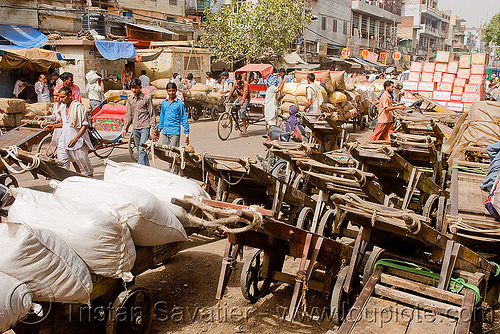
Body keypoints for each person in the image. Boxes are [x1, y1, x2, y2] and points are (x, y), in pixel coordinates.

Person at [44, 86, 94, 176]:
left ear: (70, 95)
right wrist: (53, 126)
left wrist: (76, 139)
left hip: (77, 142)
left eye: (63, 97)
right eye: (60, 97)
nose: (61, 99)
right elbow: (65, 124)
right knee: (62, 166)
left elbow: (84, 125)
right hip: (64, 141)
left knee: (86, 168)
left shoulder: (78, 108)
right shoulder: (62, 108)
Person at [122, 78, 157, 166]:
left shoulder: (147, 99)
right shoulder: (130, 100)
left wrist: (153, 131)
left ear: (140, 87)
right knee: (140, 151)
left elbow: (152, 114)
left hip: (145, 127)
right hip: (135, 128)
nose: (134, 90)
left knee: (142, 149)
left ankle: (140, 168)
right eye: (132, 88)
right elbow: (128, 114)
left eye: (136, 88)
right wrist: (125, 127)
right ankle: (147, 168)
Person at [157, 82, 190, 148]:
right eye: (169, 91)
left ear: (176, 91)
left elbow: (184, 118)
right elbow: (162, 117)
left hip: (175, 132)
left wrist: (186, 134)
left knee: (173, 153)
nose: (171, 93)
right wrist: (159, 130)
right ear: (167, 91)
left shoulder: (179, 104)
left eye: (173, 91)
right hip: (165, 132)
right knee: (165, 153)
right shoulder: (164, 103)